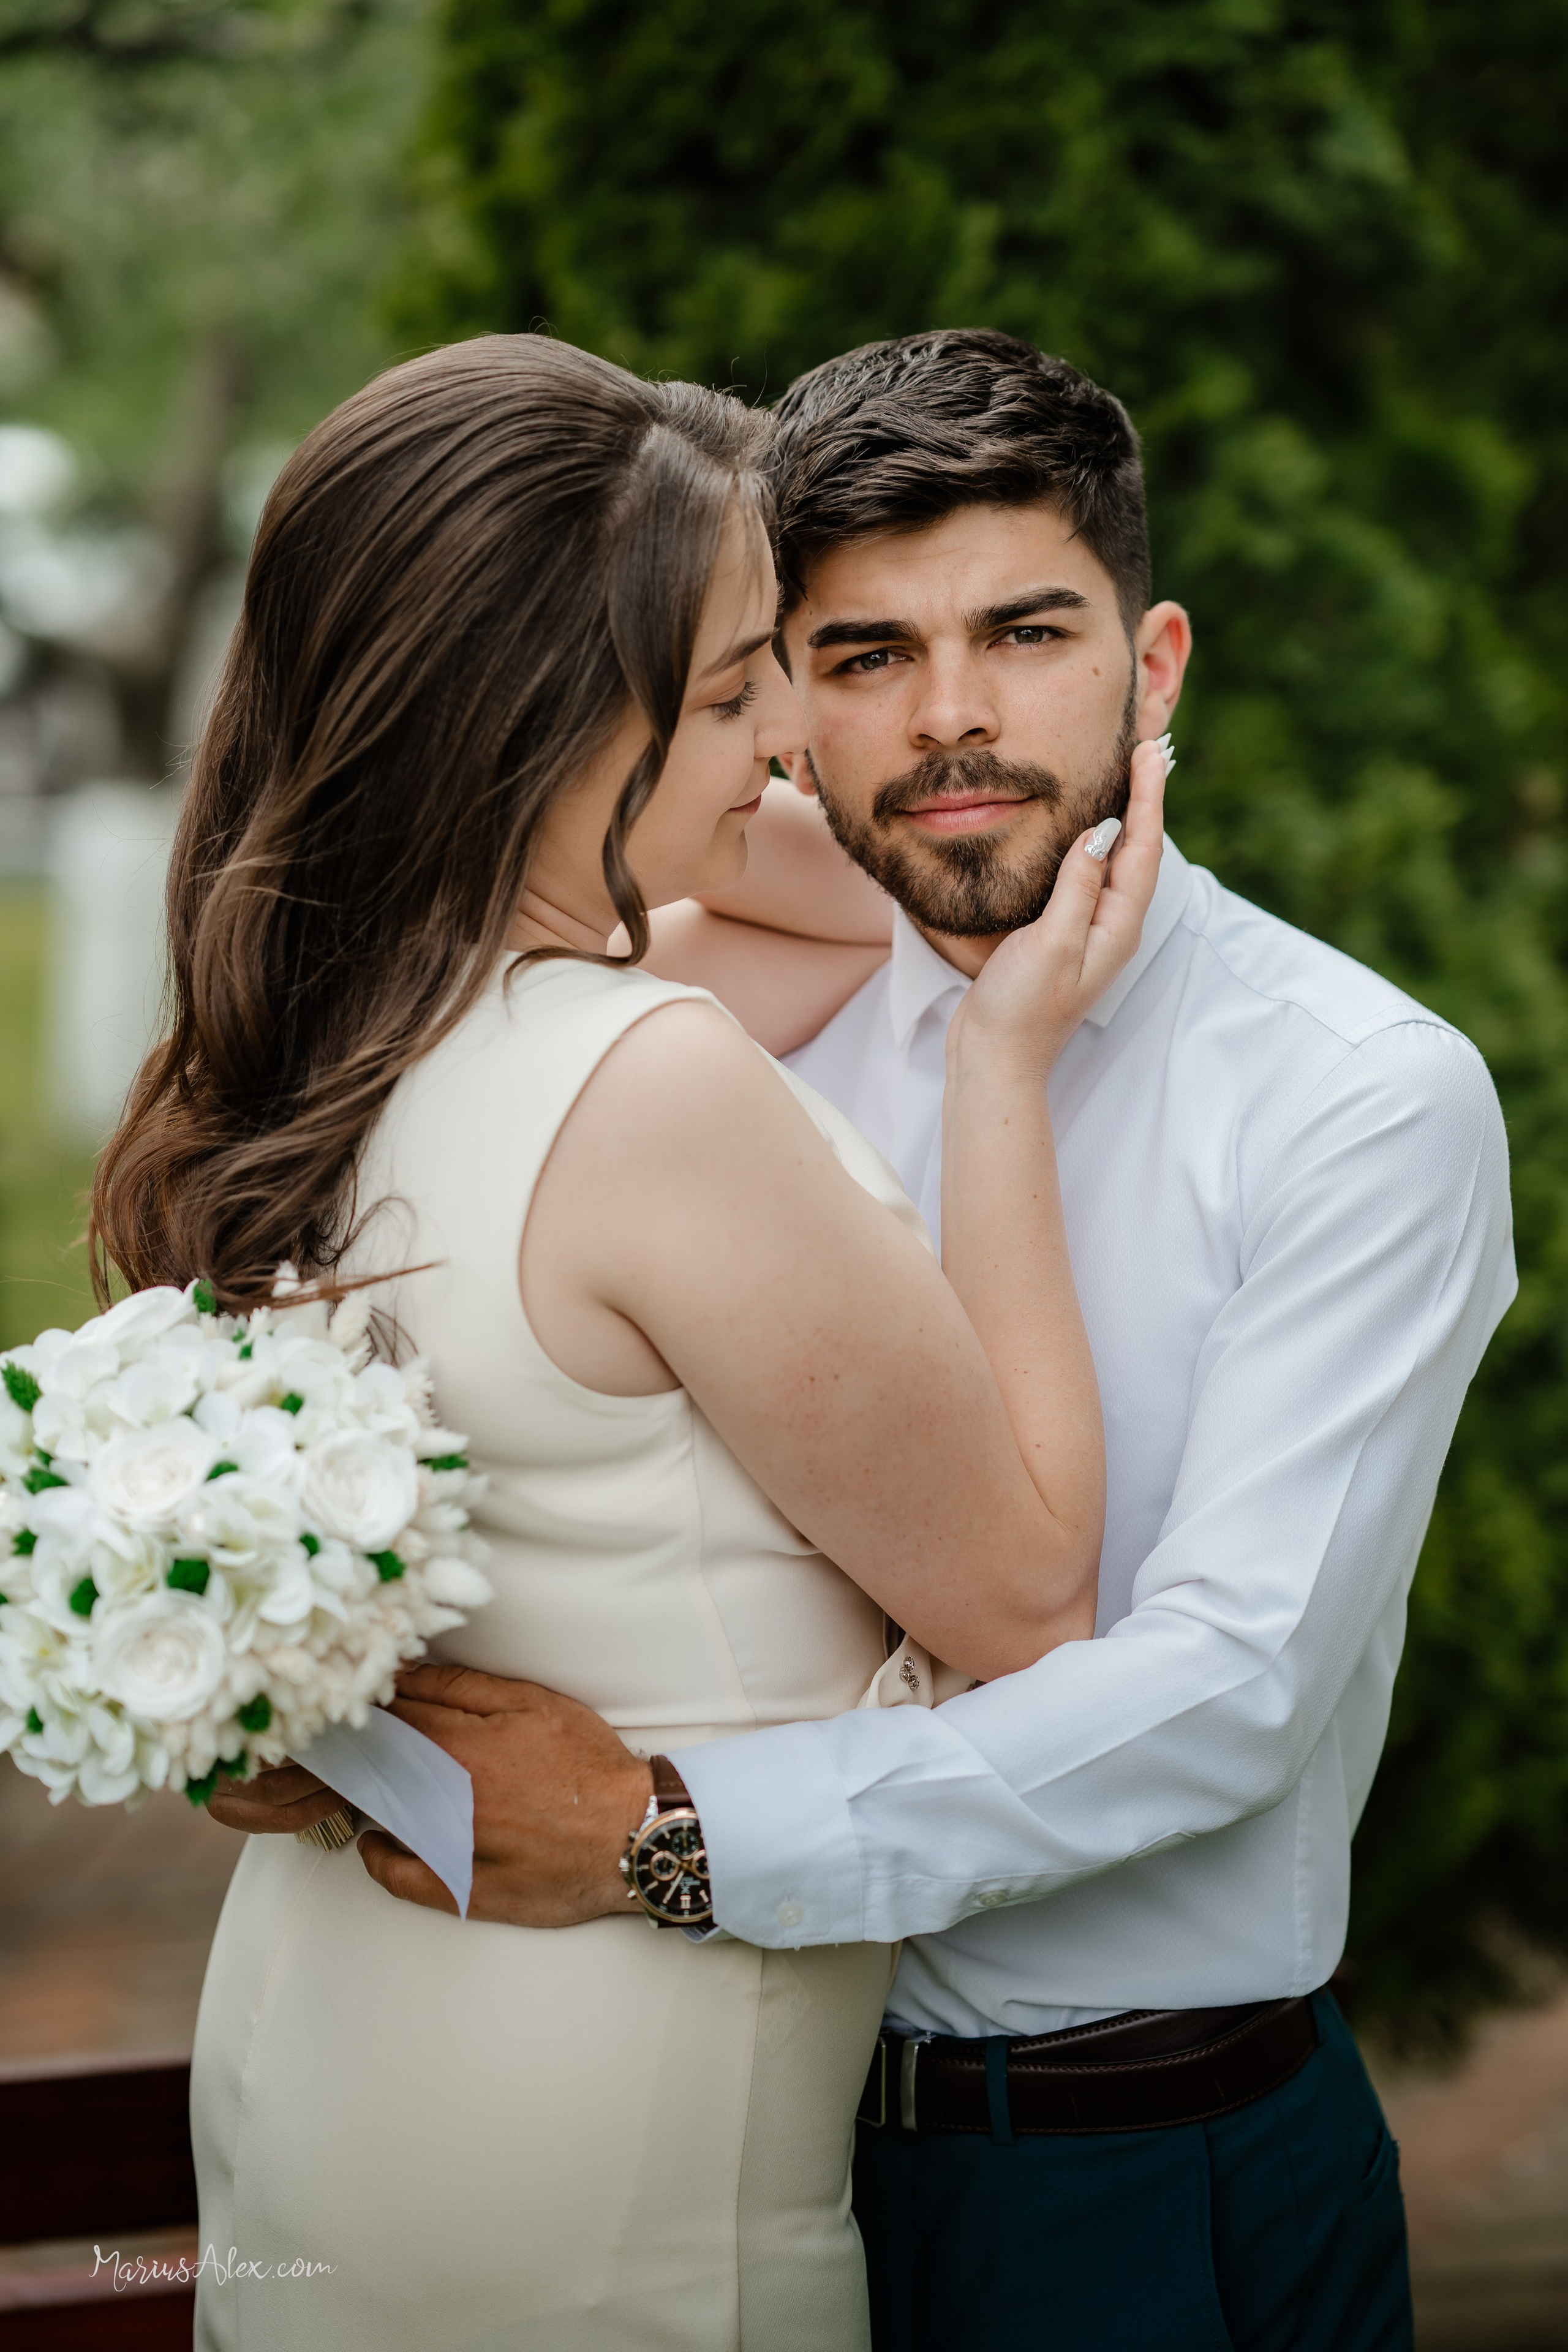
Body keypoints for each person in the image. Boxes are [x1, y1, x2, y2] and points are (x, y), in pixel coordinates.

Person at [320, 331, 1516, 2352]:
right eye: (868, 655)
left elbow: (1227, 1691)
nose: (952, 716)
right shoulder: (718, 1046)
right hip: (730, 2146)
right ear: (781, 704)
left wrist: (667, 1838)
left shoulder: (1358, 1097)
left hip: (1135, 2171)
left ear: (1153, 668)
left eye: (1025, 634)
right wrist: (326, 1715)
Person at [91, 331, 1166, 2350]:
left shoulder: (341, 1038)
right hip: (597, 2120)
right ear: (558, 719)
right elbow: (1028, 1595)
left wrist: (690, 757)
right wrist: (1002, 1068)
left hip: (338, 2034)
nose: (790, 744)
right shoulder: (652, 1084)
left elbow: (837, 908)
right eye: (742, 685)